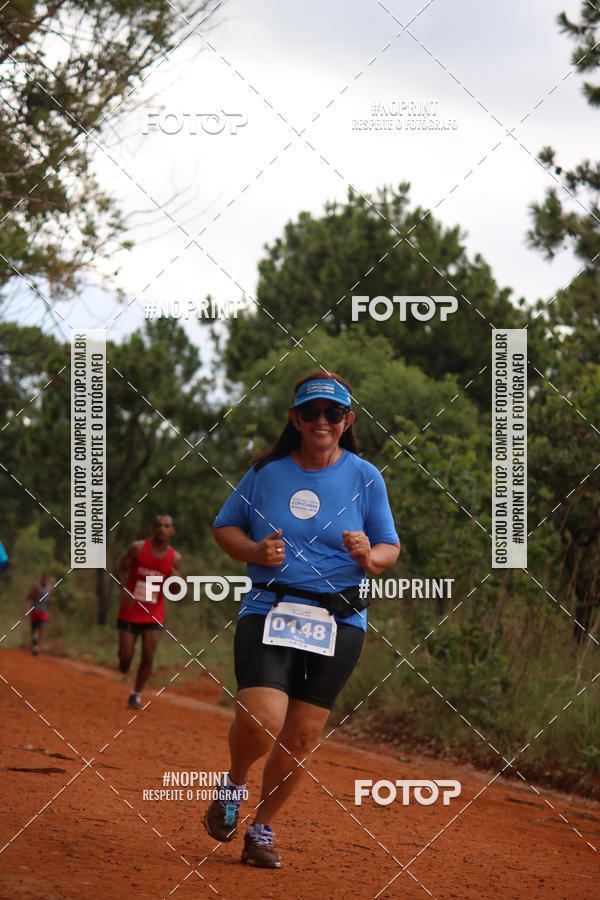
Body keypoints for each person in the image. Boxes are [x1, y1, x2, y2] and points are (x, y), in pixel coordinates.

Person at [204, 372, 400, 868]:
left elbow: (389, 547)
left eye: (333, 413)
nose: (321, 421)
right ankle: (234, 783)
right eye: (311, 412)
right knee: (261, 719)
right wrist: (254, 551)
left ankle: (261, 830)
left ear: (347, 421)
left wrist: (369, 556)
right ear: (295, 418)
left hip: (340, 619)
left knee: (302, 736)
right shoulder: (266, 474)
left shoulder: (366, 477)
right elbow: (224, 527)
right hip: (271, 607)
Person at [116, 515, 181, 710]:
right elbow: (121, 568)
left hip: (154, 610)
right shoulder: (137, 548)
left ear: (172, 531)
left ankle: (136, 694)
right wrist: (123, 589)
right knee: (125, 659)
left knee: (149, 655)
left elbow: (174, 591)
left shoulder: (175, 558)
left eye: (166, 526)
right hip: (131, 608)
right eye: (158, 525)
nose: (162, 529)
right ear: (153, 528)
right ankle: (126, 656)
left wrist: (176, 580)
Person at [27, 574, 53, 655]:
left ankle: (37, 646)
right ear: (41, 580)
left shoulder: (50, 588)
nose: (45, 581)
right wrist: (33, 596)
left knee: (41, 628)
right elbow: (28, 596)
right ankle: (34, 644)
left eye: (46, 580)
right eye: (44, 579)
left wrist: (51, 600)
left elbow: (51, 598)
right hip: (35, 610)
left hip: (43, 611)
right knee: (33, 629)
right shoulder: (35, 586)